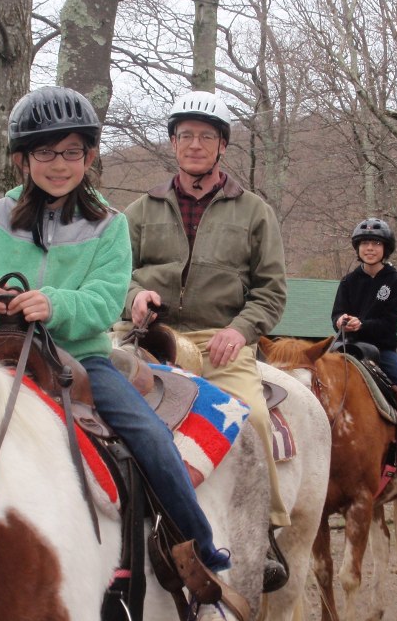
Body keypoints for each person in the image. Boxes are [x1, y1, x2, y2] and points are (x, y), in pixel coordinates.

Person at [0, 86, 240, 621]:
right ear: (22, 159)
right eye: (45, 152)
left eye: (71, 152)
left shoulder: (109, 224)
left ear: (89, 157)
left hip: (79, 357)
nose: (58, 164)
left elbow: (106, 300)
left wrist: (55, 304)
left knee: (150, 439)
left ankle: (206, 571)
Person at [124, 90, 290, 593]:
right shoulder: (140, 210)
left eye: (206, 136)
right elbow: (115, 275)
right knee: (97, 407)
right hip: (151, 336)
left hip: (221, 340)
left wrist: (240, 330)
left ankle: (265, 533)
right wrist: (133, 297)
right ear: (173, 143)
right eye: (185, 135)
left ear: (222, 145)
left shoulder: (255, 211)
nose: (194, 144)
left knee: (253, 416)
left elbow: (271, 290)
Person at [331, 217, 397, 476]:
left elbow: (388, 324)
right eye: (365, 243)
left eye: (376, 244)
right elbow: (336, 314)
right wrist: (341, 321)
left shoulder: (394, 282)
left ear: (385, 249)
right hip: (348, 346)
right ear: (358, 248)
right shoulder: (348, 281)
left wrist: (362, 325)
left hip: (382, 350)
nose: (370, 248)